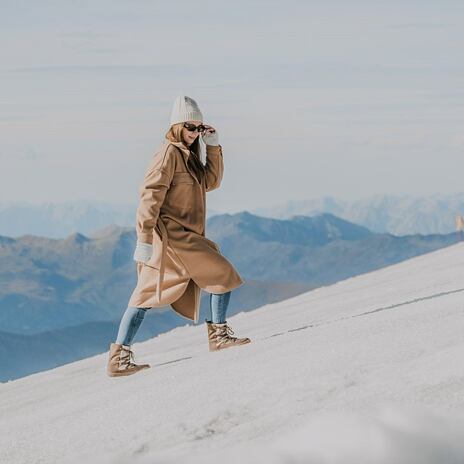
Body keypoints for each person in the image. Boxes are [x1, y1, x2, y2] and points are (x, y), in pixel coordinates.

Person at [107, 95, 251, 377]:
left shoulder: (189, 155)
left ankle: (119, 357)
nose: (195, 132)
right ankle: (218, 337)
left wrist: (213, 147)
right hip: (171, 237)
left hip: (185, 236)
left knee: (147, 294)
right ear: (176, 126)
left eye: (200, 128)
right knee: (221, 273)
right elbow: (149, 196)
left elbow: (211, 182)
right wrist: (144, 238)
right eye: (190, 127)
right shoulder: (168, 153)